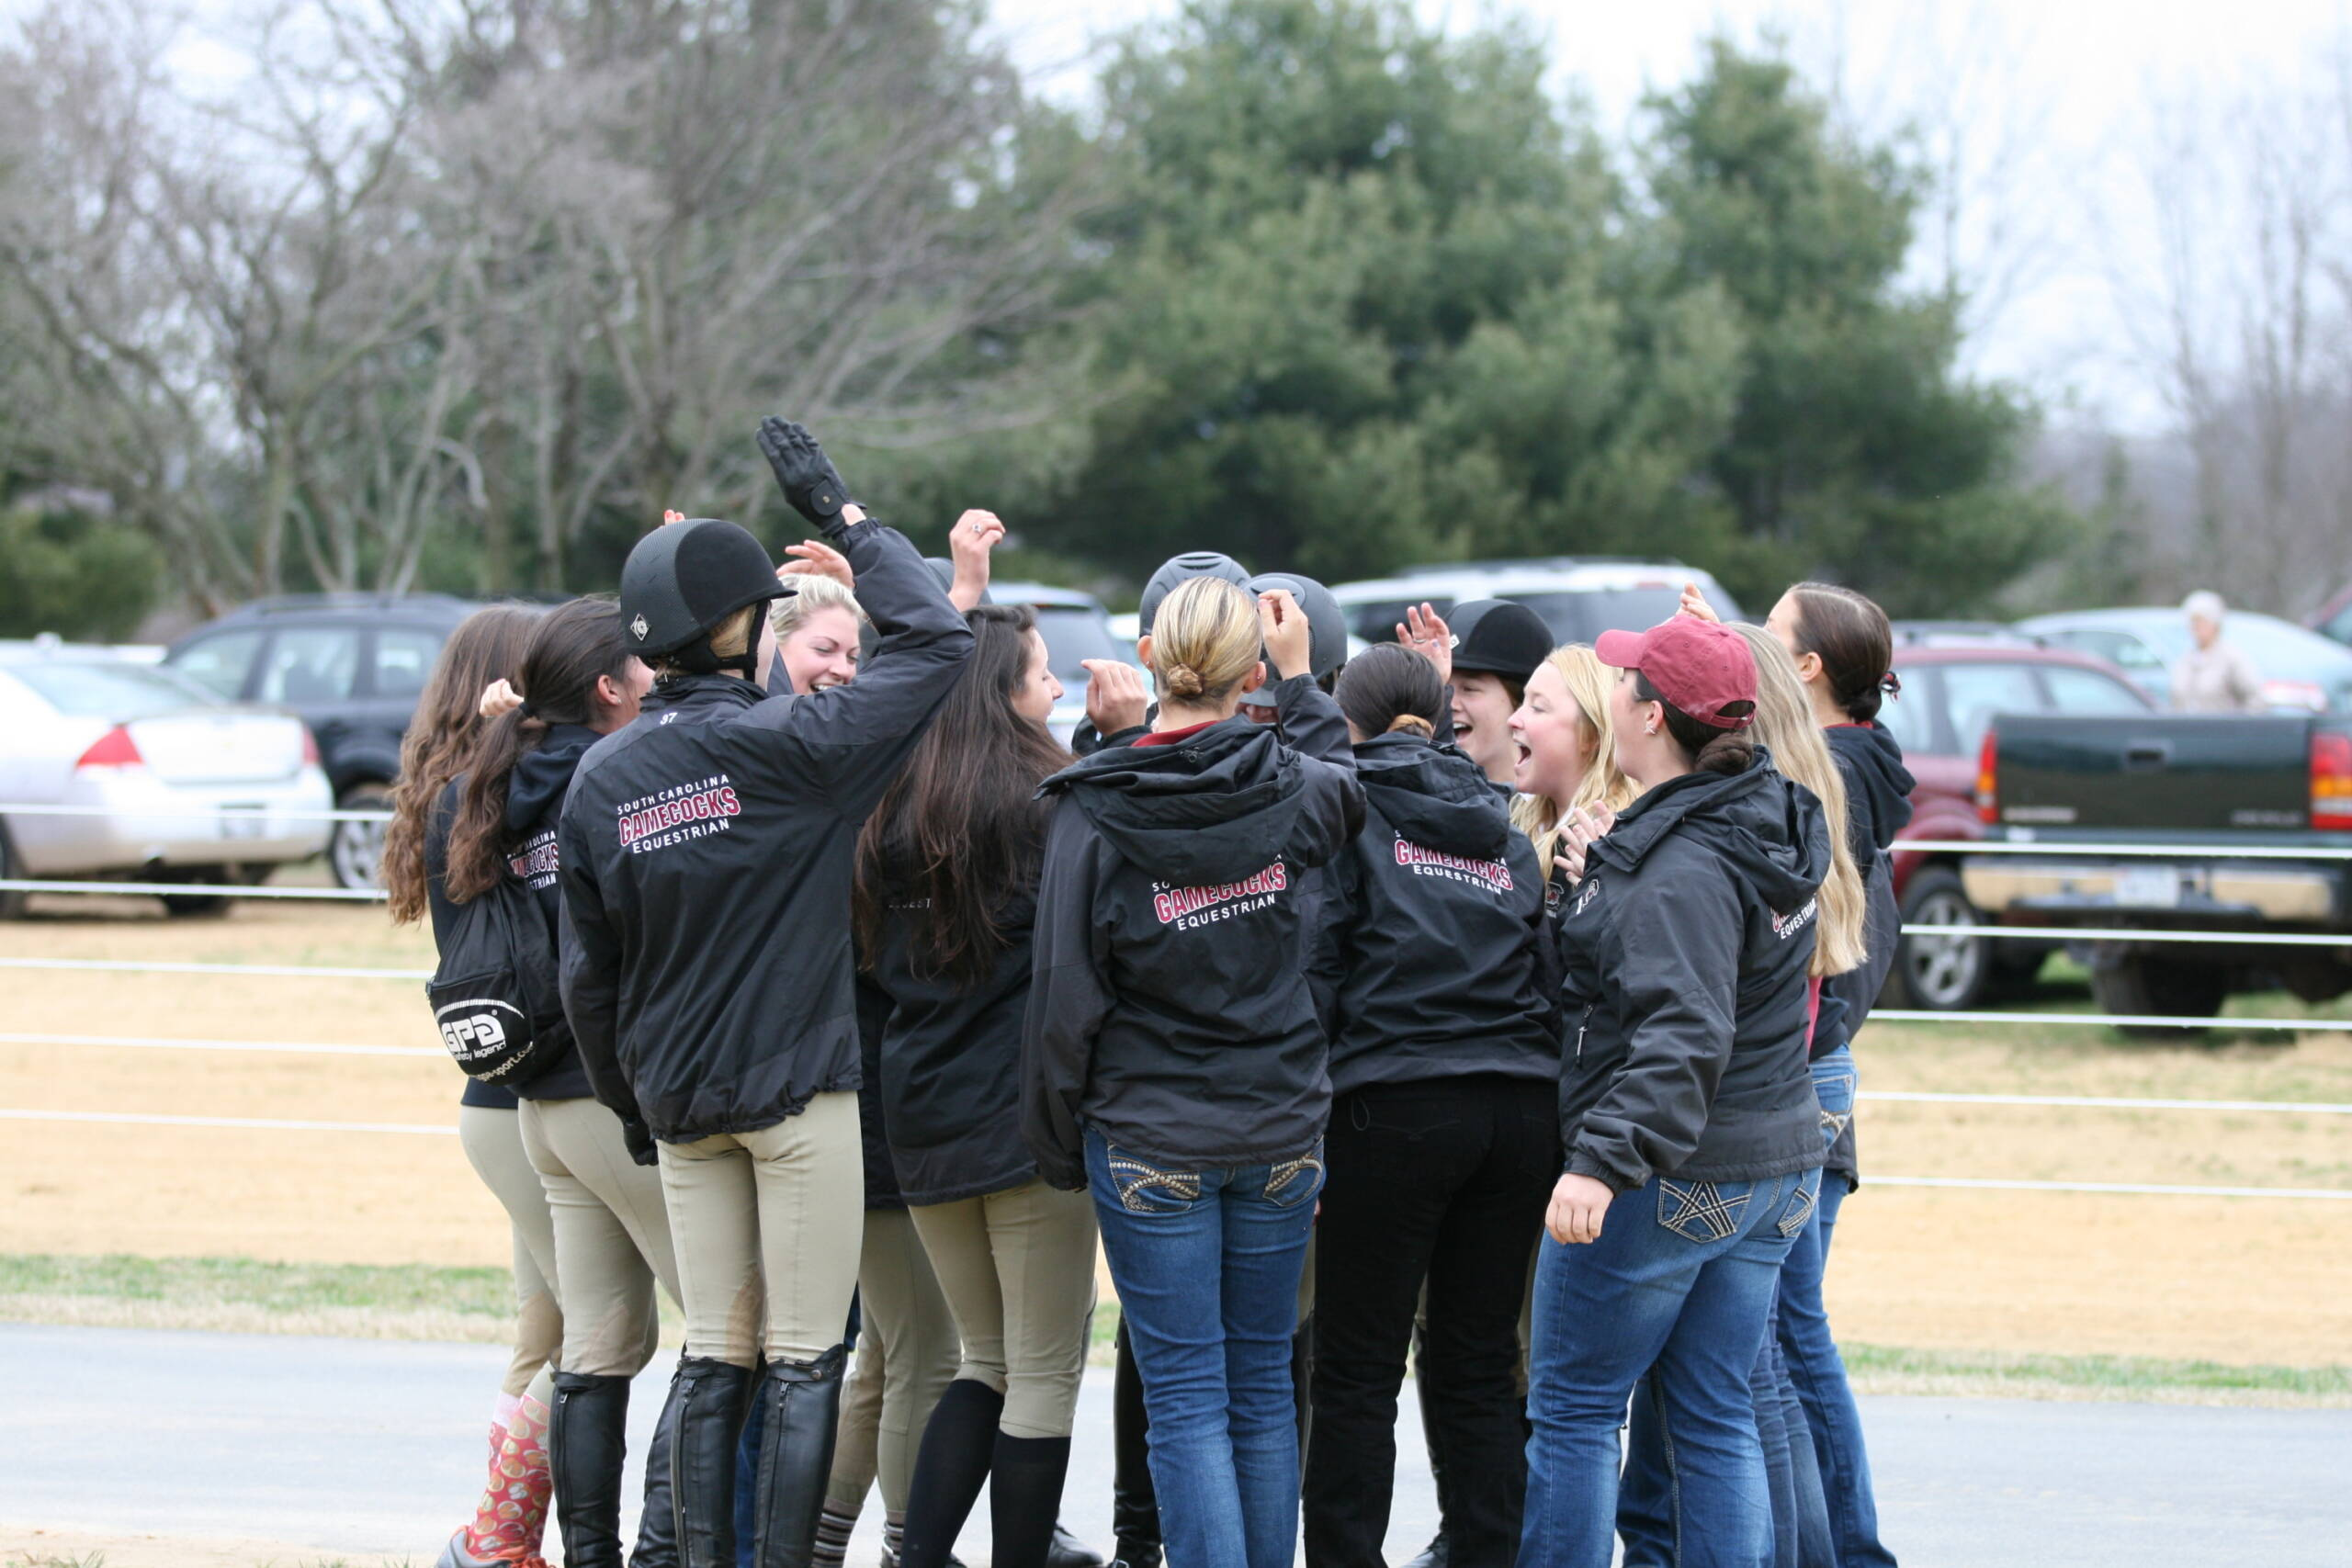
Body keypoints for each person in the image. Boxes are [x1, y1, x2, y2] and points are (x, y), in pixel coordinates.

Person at [559, 419, 973, 1566]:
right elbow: (939, 641)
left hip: (679, 1103)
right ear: (742, 629)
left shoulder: (602, 777)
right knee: (802, 1356)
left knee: (713, 1353)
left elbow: (586, 974)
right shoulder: (798, 746)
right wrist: (840, 514)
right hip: (798, 1097)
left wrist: (634, 1109)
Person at [1025, 578, 1363, 1568]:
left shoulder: (1094, 810)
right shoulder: (1291, 781)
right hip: (1275, 1128)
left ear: (1145, 658)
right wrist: (1301, 684)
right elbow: (1343, 780)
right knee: (1259, 1383)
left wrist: (1056, 1143)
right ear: (1248, 677)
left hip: (1148, 1135)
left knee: (1186, 1394)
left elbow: (1060, 999)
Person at [1520, 615, 1827, 1568]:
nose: (1610, 689)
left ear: (1650, 717)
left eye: (1624, 681)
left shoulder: (1682, 865)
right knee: (1713, 1411)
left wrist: (1599, 1165)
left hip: (1678, 1168)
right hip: (1770, 1164)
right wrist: (1601, 883)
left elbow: (1684, 1034)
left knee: (1572, 1410)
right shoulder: (1762, 813)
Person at [437, 598, 687, 1568]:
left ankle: (512, 1542)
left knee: (580, 1336)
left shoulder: (474, 793)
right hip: (584, 1088)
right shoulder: (599, 780)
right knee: (711, 1333)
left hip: (517, 1093)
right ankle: (521, 1540)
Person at [859, 604, 1109, 1568]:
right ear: (1005, 690)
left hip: (919, 1114)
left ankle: (914, 1558)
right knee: (1042, 1370)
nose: (1054, 689)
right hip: (1024, 1122)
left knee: (982, 1361)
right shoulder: (1051, 798)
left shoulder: (882, 804)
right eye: (1041, 673)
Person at [1299, 643, 1559, 1568]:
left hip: (1395, 1105)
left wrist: (1305, 1119)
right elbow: (1545, 967)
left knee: (1357, 1369)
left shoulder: (1345, 811)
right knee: (1480, 1364)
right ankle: (1491, 1552)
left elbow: (1319, 965)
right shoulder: (1497, 822)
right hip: (1520, 1110)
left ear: (1348, 723)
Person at [1616, 623, 1871, 1568]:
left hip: (1741, 1109)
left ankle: (1821, 1553)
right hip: (1792, 1100)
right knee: (1750, 1374)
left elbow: (1689, 1028)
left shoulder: (1703, 847)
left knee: (1756, 1370)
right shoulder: (1799, 815)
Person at [1686, 580, 1910, 1568]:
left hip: (1798, 1077)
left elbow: (1839, 951)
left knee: (1780, 1342)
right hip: (1814, 1077)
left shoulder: (1833, 779)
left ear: (1806, 666)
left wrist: (1804, 1055)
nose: (1756, 646)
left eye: (1767, 637)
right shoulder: (1845, 766)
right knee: (1783, 1335)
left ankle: (1841, 1552)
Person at [386, 604, 558, 1568]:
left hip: (494, 1100)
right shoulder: (491, 797)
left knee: (549, 1326)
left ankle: (507, 1537)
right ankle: (494, 1537)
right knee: (600, 1328)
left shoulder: (456, 786)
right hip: (530, 1102)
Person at [1437, 600, 1555, 789]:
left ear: (1522, 701)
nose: (1449, 703)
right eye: (1442, 688)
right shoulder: (1415, 801)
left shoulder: (1567, 809)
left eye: (1469, 689)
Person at [2170, 590, 2265, 712]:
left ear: (2215, 624)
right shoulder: (2185, 661)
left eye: (2202, 621)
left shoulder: (2231, 659)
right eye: (2193, 622)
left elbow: (2255, 698)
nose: (2196, 627)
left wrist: (2239, 726)